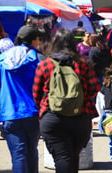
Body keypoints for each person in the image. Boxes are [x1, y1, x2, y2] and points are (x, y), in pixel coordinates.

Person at [32, 29, 100, 173]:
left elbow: (36, 93)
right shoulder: (83, 63)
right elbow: (94, 88)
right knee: (73, 156)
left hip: (52, 118)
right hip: (80, 117)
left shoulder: (45, 64)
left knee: (62, 157)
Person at [0, 24, 44, 173]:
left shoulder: (2, 59)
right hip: (33, 113)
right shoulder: (38, 59)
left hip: (10, 115)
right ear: (34, 40)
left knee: (18, 155)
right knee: (31, 151)